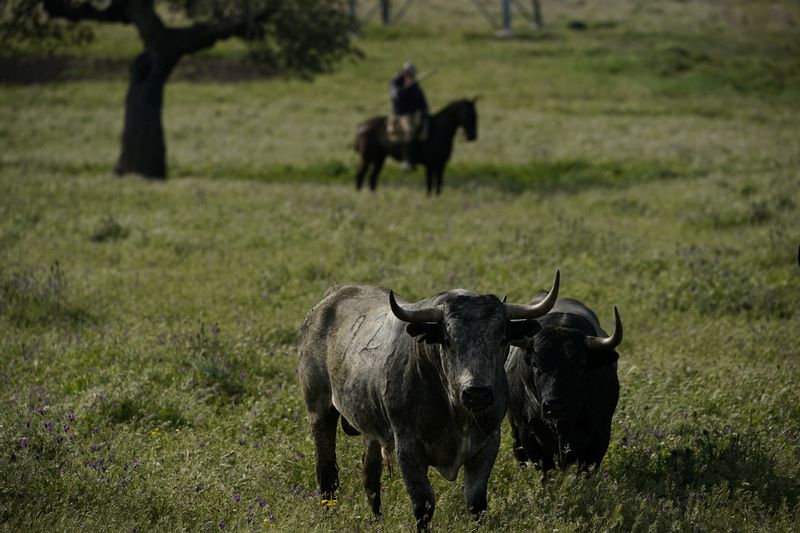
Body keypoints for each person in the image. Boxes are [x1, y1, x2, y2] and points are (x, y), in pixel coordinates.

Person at [388, 61, 428, 170]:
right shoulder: (395, 82)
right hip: (401, 113)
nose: (410, 75)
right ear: (403, 71)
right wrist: (406, 87)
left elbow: (420, 98)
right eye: (408, 72)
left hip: (414, 112)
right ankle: (406, 160)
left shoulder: (413, 82)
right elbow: (397, 97)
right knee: (410, 131)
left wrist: (424, 109)